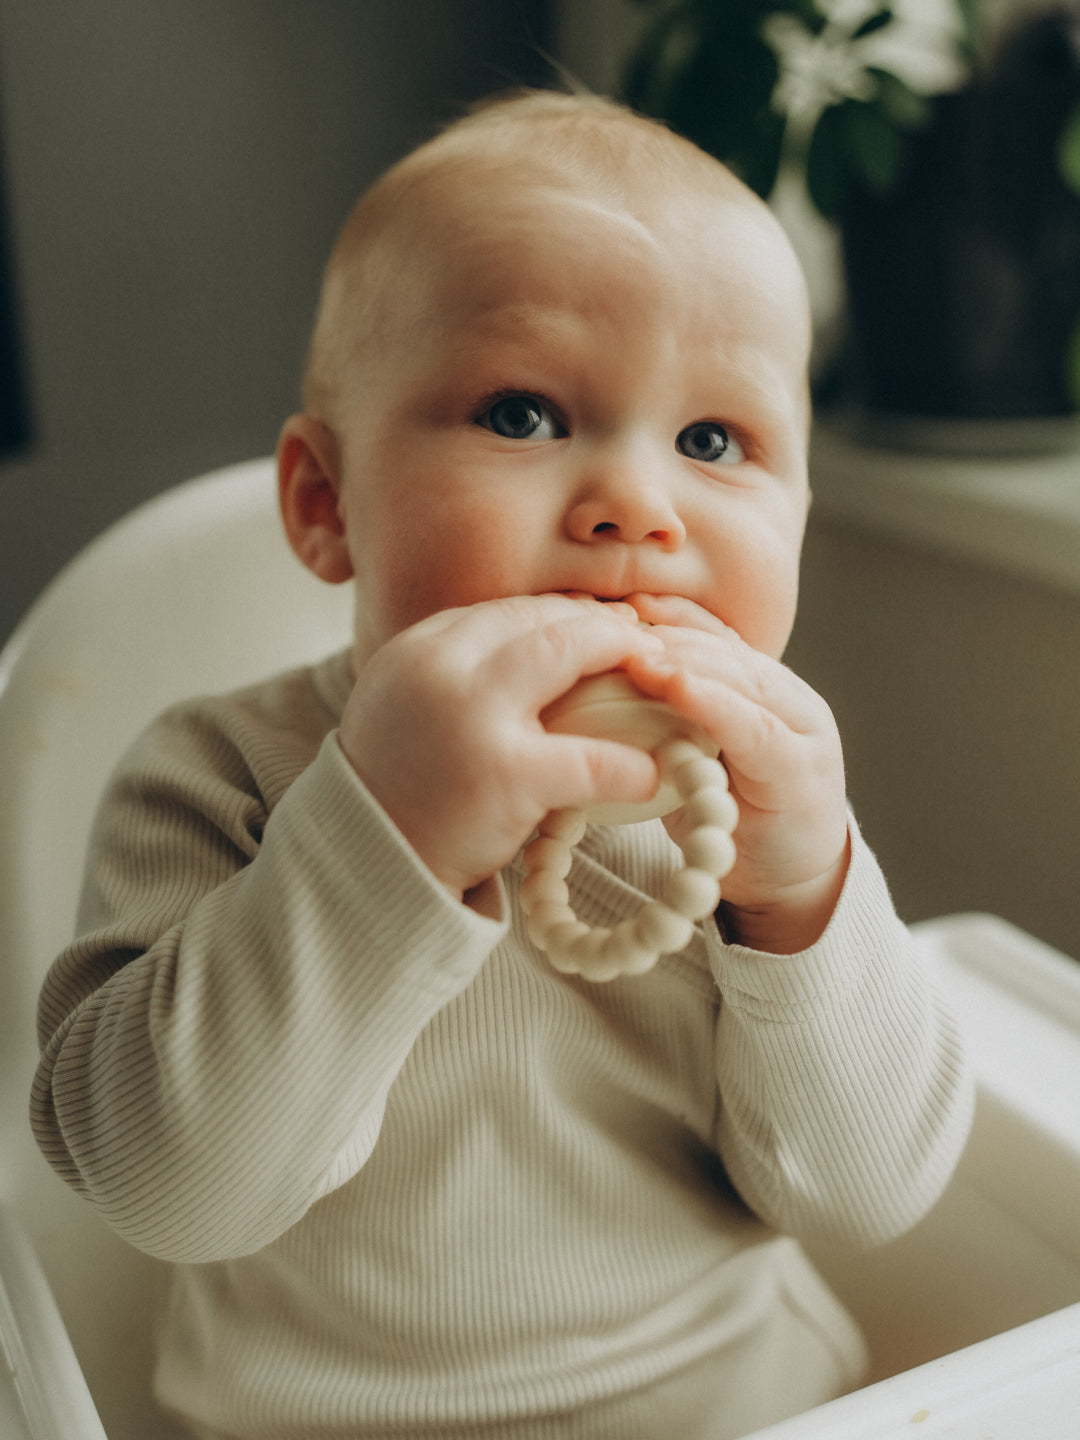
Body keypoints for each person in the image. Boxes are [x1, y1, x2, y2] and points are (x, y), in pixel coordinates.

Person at [32, 90, 973, 1440]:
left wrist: (810, 896)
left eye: (715, 442)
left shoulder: (751, 813)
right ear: (323, 502)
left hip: (743, 1405)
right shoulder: (217, 773)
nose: (636, 506)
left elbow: (872, 1196)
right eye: (525, 413)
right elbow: (163, 1187)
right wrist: (383, 833)